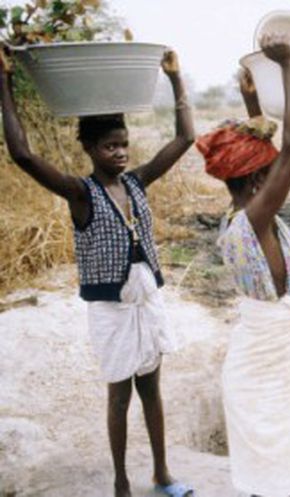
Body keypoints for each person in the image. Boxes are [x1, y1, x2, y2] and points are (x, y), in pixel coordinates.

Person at [0, 47, 195, 497]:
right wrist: (5, 82)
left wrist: (176, 77)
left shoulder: (136, 181)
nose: (120, 153)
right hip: (111, 311)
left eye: (124, 144)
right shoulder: (80, 193)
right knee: (120, 396)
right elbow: (23, 155)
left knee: (152, 390)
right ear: (88, 149)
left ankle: (162, 473)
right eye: (110, 146)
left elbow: (185, 139)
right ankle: (121, 482)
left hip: (146, 303)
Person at [196, 34, 290, 497]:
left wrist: (252, 96)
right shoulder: (253, 223)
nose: (280, 175)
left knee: (287, 471)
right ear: (260, 178)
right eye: (271, 170)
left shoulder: (242, 217)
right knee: (285, 474)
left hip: (268, 367)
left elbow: (276, 147)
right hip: (267, 374)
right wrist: (288, 65)